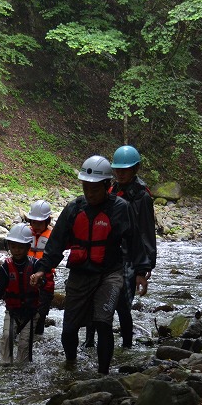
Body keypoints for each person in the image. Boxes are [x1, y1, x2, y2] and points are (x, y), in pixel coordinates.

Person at [30, 155, 139, 375]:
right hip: (80, 274)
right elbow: (56, 242)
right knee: (69, 330)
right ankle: (70, 367)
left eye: (95, 188)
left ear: (107, 186)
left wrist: (141, 272)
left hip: (110, 274)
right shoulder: (74, 209)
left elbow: (135, 243)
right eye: (86, 187)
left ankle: (103, 375)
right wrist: (42, 268)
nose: (90, 193)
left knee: (103, 322)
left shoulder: (121, 208)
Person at [84, 145, 156, 349]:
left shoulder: (142, 197)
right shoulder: (111, 190)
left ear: (136, 169)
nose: (121, 174)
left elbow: (146, 233)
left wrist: (143, 269)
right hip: (108, 255)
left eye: (125, 170)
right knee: (96, 300)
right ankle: (89, 343)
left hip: (131, 259)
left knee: (123, 306)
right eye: (118, 170)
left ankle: (126, 347)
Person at [0, 223, 39, 365]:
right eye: (13, 246)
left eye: (20, 247)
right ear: (9, 246)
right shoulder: (6, 267)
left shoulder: (35, 265)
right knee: (7, 336)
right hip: (12, 311)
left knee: (24, 343)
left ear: (28, 248)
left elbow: (44, 287)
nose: (16, 250)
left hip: (30, 312)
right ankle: (5, 363)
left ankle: (22, 368)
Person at [26, 200, 55, 335]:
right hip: (27, 277)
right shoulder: (25, 233)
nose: (36, 226)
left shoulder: (53, 236)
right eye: (34, 222)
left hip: (46, 279)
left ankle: (38, 336)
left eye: (40, 223)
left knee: (41, 312)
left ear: (47, 221)